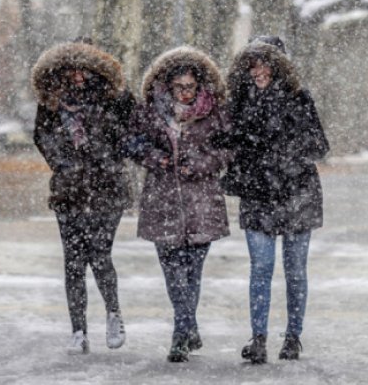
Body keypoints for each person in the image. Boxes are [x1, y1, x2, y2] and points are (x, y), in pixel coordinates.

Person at [217, 36, 329, 364]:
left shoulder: (298, 98)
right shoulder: (236, 101)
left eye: (265, 62)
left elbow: (319, 146)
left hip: (297, 194)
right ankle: (259, 339)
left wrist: (283, 152)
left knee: (295, 270)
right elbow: (225, 141)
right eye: (253, 63)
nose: (259, 70)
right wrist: (238, 145)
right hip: (257, 194)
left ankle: (293, 337)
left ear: (280, 65)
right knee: (261, 268)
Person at [31, 40, 134, 354]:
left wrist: (103, 156)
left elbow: (128, 134)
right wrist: (64, 163)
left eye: (84, 67)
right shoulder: (52, 101)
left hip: (108, 190)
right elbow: (42, 136)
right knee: (73, 262)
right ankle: (78, 330)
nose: (78, 75)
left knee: (99, 254)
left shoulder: (116, 98)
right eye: (72, 68)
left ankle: (113, 312)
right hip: (69, 192)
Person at [128, 47, 230, 362]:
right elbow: (132, 142)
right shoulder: (150, 111)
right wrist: (158, 158)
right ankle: (186, 326)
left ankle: (181, 333)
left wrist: (200, 163)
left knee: (193, 271)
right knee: (173, 273)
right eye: (178, 87)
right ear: (167, 86)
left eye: (190, 86)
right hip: (163, 201)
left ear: (199, 85)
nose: (184, 93)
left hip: (202, 203)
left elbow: (228, 148)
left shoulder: (214, 111)